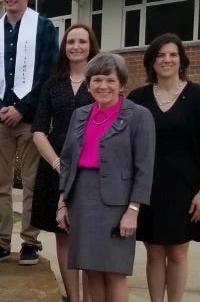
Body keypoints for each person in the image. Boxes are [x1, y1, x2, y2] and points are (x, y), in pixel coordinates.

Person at [56, 52, 155, 302]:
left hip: (118, 203)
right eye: (97, 80)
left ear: (122, 84)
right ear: (88, 85)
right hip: (82, 199)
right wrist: (63, 202)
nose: (103, 86)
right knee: (90, 270)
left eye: (110, 80)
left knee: (114, 271)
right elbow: (67, 160)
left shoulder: (139, 116)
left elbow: (144, 167)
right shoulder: (80, 114)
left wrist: (133, 209)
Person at [0, 0, 58, 265]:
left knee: (32, 183)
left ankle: (30, 242)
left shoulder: (44, 28)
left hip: (30, 119)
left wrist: (23, 108)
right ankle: (0, 241)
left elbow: (47, 73)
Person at [128, 33, 200, 302]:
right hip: (148, 187)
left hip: (186, 188)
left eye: (172, 54)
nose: (167, 60)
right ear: (151, 61)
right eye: (161, 55)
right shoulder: (138, 98)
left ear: (181, 59)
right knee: (155, 251)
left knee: (179, 252)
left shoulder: (197, 97)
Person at [31, 24, 98, 302]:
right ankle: (73, 297)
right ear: (64, 47)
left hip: (92, 167)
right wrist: (58, 164)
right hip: (56, 165)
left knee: (88, 236)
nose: (76, 46)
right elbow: (38, 130)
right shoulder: (52, 83)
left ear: (91, 46)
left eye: (82, 41)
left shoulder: (101, 79)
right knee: (64, 235)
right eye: (71, 41)